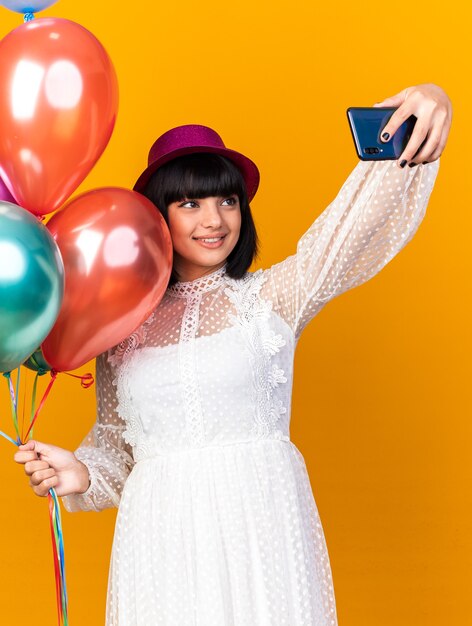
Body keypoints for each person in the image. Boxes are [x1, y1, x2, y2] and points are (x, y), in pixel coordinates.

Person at [14, 83, 451, 626]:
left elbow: (348, 234)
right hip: (161, 538)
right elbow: (119, 452)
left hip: (258, 525)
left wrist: (428, 105)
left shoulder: (272, 298)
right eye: (190, 203)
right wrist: (78, 472)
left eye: (227, 199)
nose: (214, 220)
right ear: (156, 217)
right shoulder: (123, 331)